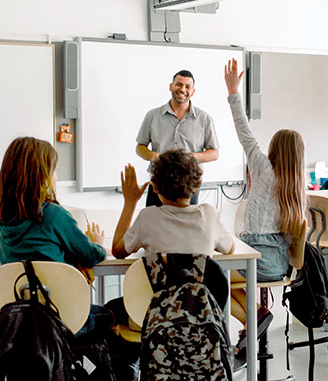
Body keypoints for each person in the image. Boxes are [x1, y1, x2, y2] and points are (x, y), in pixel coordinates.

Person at [222, 59, 308, 361]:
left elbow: (243, 132)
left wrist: (233, 91)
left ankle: (254, 318)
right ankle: (254, 321)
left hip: (255, 255)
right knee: (224, 279)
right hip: (280, 263)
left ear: (273, 148)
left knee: (215, 279)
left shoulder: (261, 167)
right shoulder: (298, 185)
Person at [0, 137, 106, 269]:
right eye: (54, 170)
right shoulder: (54, 215)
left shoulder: (2, 217)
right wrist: (98, 245)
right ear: (42, 176)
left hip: (15, 289)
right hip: (57, 289)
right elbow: (90, 255)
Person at [112, 149, 234, 261]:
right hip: (200, 285)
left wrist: (130, 202)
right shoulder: (209, 214)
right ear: (198, 185)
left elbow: (118, 252)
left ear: (154, 186)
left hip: (158, 286)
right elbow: (230, 248)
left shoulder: (148, 218)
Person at [135, 70, 219, 207]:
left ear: (193, 91)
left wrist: (188, 158)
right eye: (178, 84)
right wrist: (154, 156)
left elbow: (214, 153)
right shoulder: (152, 115)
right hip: (158, 183)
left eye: (187, 87)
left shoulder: (204, 119)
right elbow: (140, 147)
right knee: (154, 226)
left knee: (186, 227)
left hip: (189, 187)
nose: (182, 89)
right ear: (171, 86)